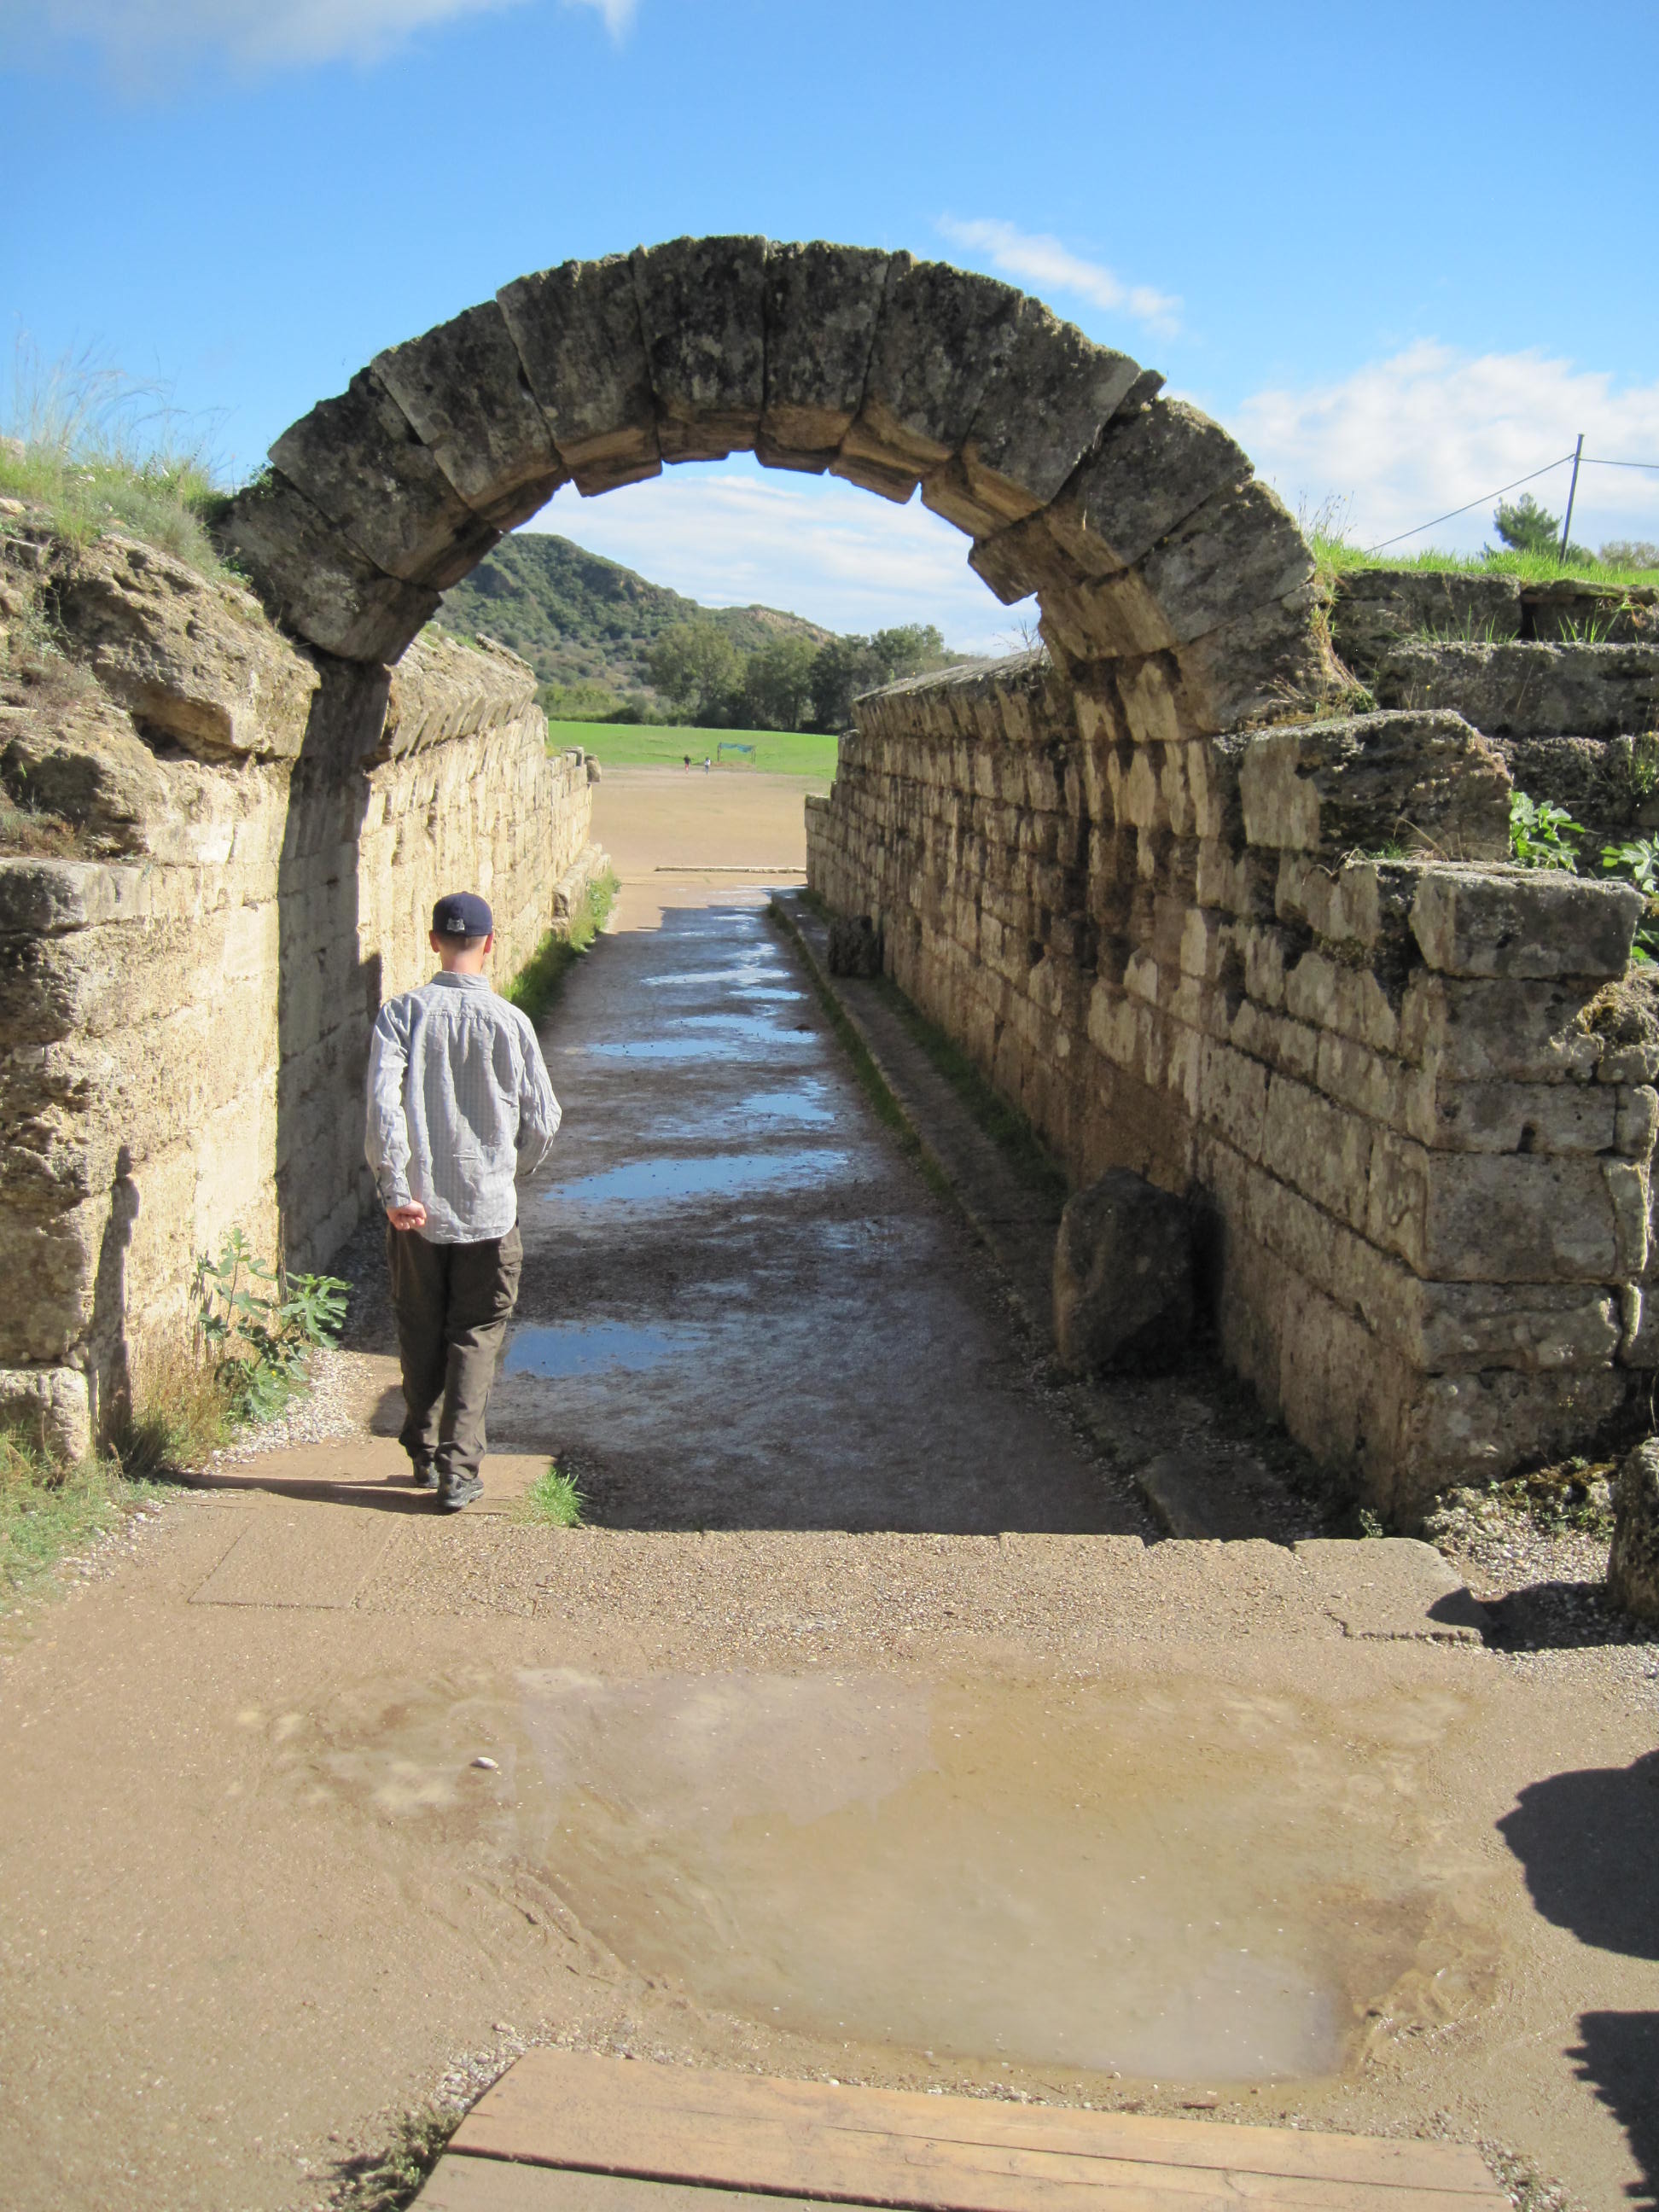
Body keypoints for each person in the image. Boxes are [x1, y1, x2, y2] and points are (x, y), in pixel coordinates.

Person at [364, 891, 562, 1511]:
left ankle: (424, 1450)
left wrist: (397, 1189)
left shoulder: (400, 1015)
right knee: (476, 1332)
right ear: (490, 944)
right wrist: (510, 1170)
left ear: (433, 941)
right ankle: (458, 1470)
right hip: (488, 1211)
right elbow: (544, 1120)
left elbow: (383, 1108)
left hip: (417, 1211)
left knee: (419, 1324)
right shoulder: (512, 1022)